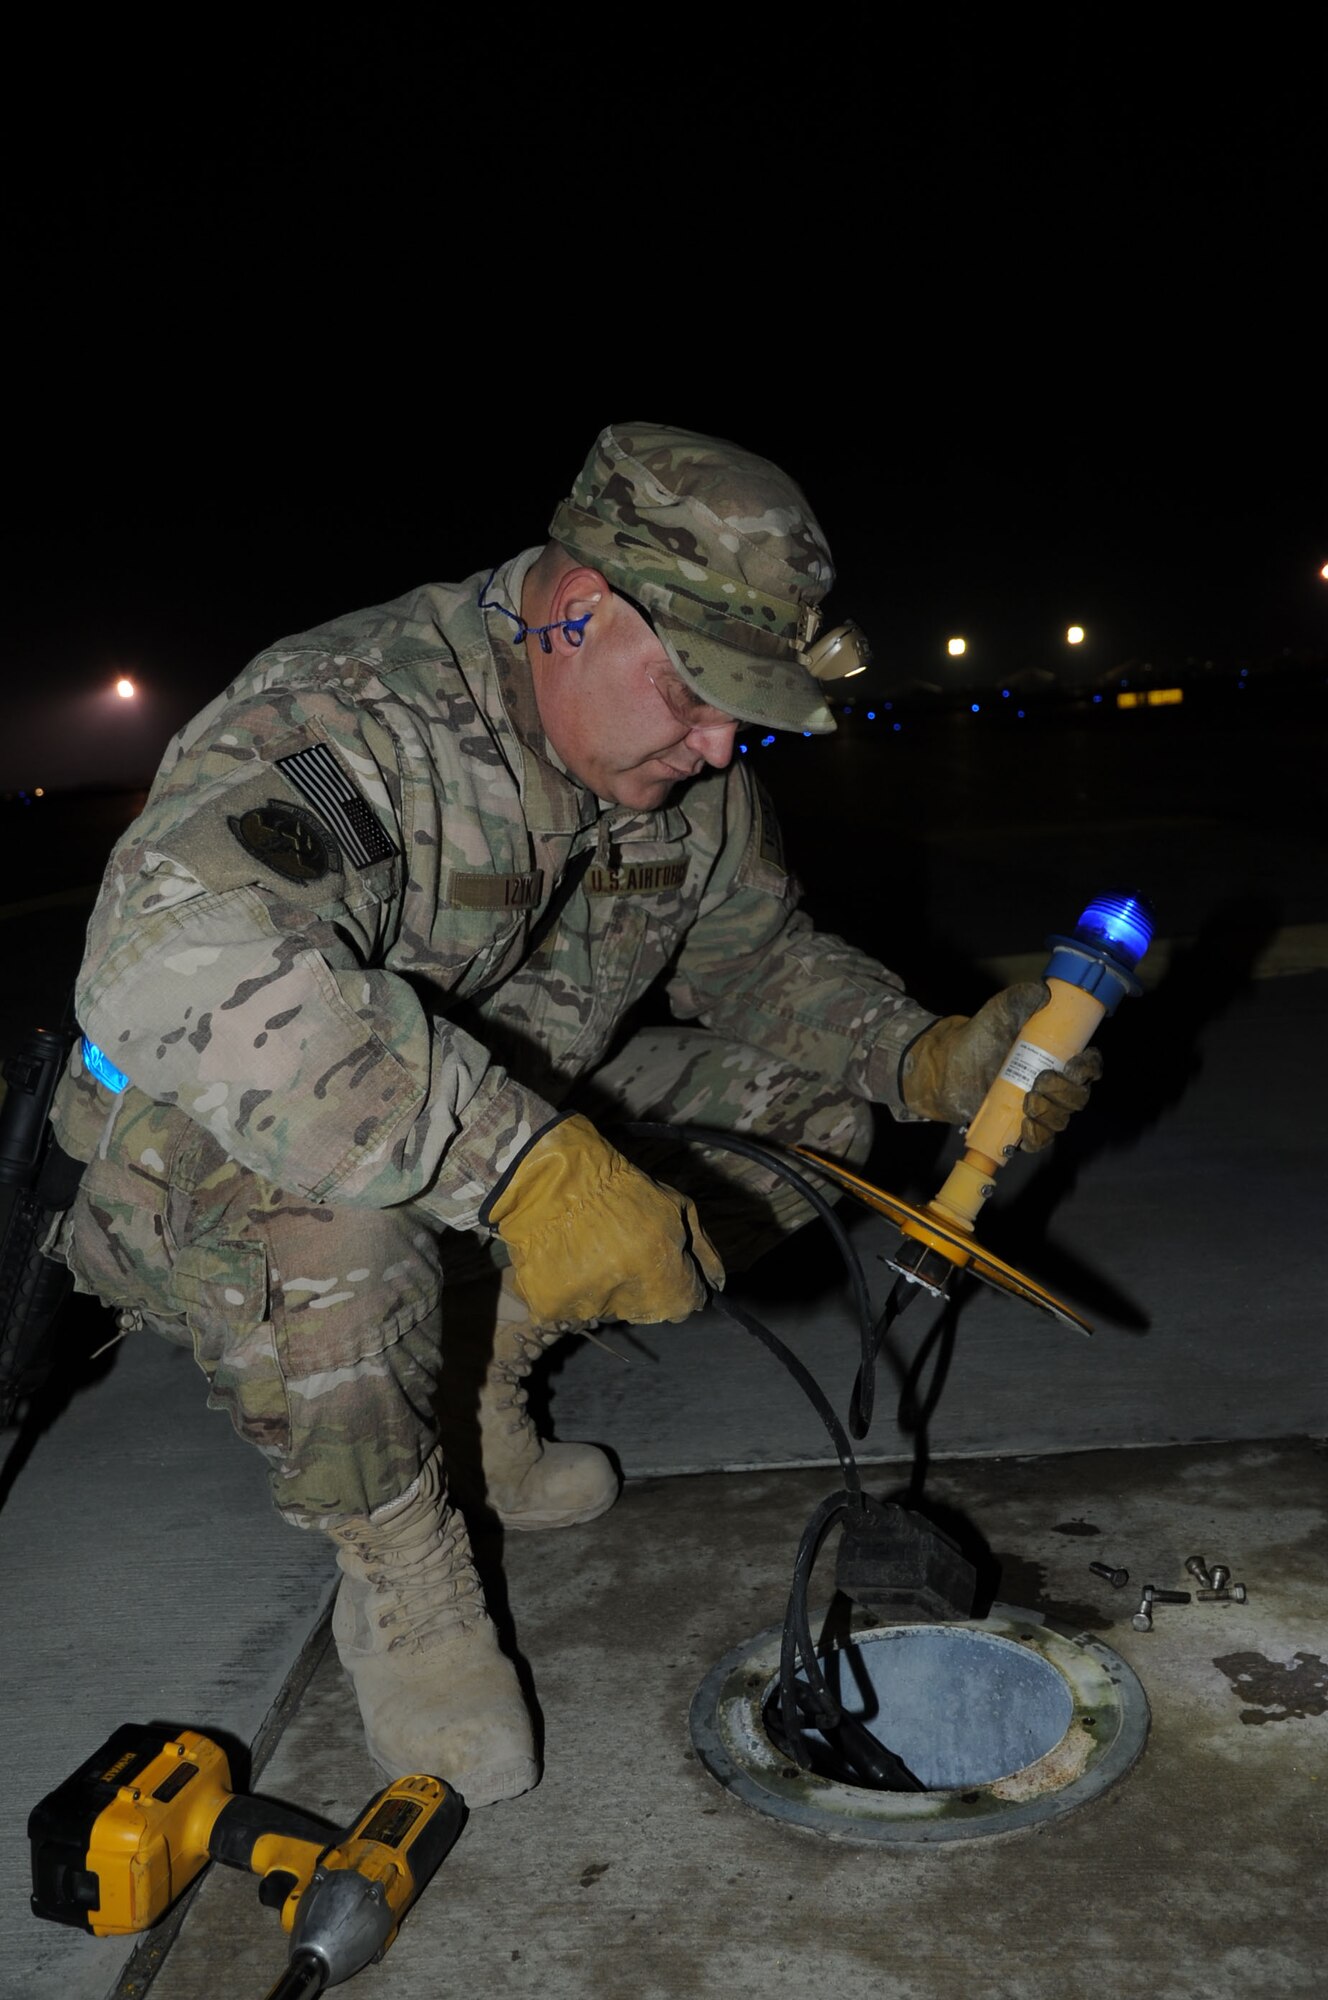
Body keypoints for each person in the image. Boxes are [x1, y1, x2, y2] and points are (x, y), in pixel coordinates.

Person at [46, 423, 1098, 1808]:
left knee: (809, 1121)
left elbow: (758, 961)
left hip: (483, 1126)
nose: (723, 742)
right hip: (216, 1164)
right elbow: (165, 959)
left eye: (746, 705)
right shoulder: (355, 717)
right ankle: (405, 1572)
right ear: (575, 612)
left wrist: (931, 1059)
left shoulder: (687, 774)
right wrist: (527, 1170)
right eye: (697, 691)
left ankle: (479, 1390)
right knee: (348, 1213)